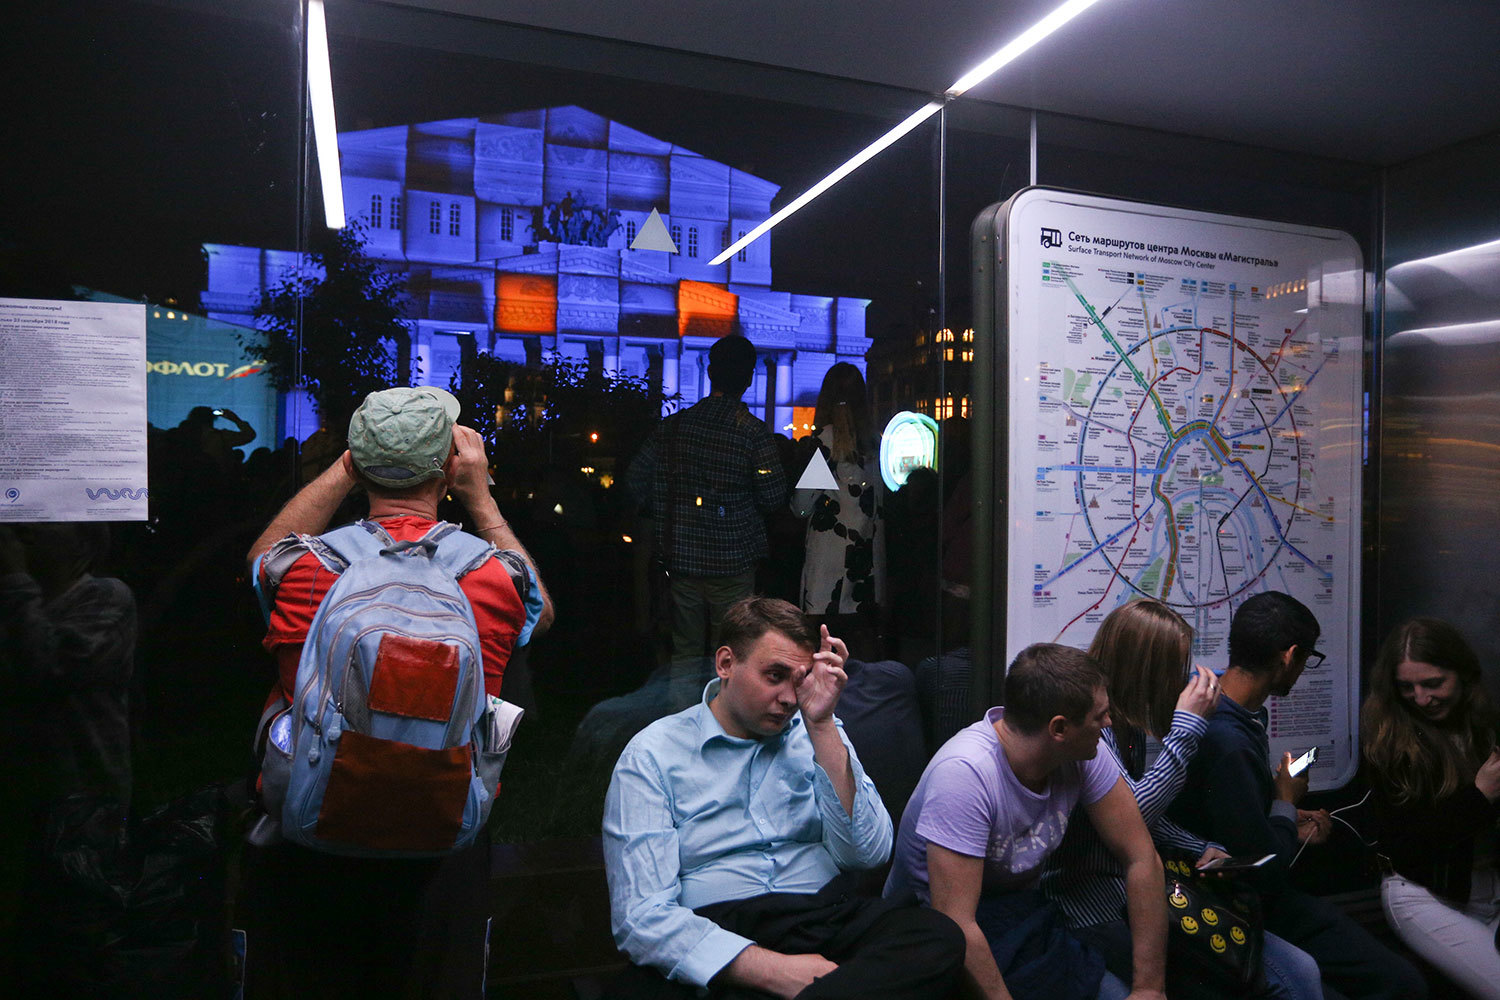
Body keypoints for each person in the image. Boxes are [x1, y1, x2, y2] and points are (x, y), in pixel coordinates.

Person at [238, 385, 554, 999]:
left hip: (313, 828)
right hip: (443, 834)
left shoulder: (302, 569)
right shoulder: (494, 577)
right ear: (448, 469)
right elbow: (539, 613)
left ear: (356, 465)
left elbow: (259, 559)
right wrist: (481, 498)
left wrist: (346, 469)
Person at [601, 596, 965, 1000]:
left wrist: (822, 726)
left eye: (800, 679)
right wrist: (775, 972)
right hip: (719, 927)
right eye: (774, 676)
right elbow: (642, 916)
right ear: (726, 664)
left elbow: (868, 853)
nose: (790, 697)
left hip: (822, 914)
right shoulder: (653, 754)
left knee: (938, 937)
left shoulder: (815, 729)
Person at [1042, 599, 1323, 999]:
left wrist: (1199, 846)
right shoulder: (1094, 733)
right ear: (1146, 671)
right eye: (1174, 669)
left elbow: (1144, 816)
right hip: (1095, 905)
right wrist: (1187, 726)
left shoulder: (1128, 726)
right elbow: (1133, 815)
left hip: (1140, 891)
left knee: (1298, 970)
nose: (1181, 681)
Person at [1168, 592, 1428, 1000]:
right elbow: (1262, 870)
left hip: (1243, 892)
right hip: (1242, 901)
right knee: (1401, 983)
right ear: (1289, 657)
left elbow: (1240, 822)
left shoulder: (1226, 710)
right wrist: (1286, 801)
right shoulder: (1229, 742)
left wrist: (1287, 819)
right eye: (1307, 658)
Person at [884, 642, 1168, 1000]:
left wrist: (1149, 988)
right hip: (934, 932)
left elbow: (1141, 858)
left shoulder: (1085, 753)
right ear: (1059, 728)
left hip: (1018, 919)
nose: (1109, 723)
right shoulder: (965, 774)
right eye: (1100, 716)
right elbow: (956, 922)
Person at [1361, 618, 1500, 1000]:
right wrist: (1480, 796)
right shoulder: (1391, 738)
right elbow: (1409, 846)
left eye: (1433, 683)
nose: (1421, 698)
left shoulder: (1484, 725)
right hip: (1424, 894)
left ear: (1463, 674)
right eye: (1407, 687)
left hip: (1487, 886)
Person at [627, 335, 788, 664]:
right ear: (748, 378)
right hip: (734, 561)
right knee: (730, 656)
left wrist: (663, 506)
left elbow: (635, 479)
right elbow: (773, 497)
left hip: (681, 559)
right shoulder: (753, 433)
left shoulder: (673, 427)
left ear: (710, 372)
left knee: (684, 654)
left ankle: (682, 699)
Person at [790, 363, 885, 656]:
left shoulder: (823, 442)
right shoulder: (875, 443)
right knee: (859, 651)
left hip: (826, 566)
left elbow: (802, 507)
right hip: (866, 564)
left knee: (823, 648)